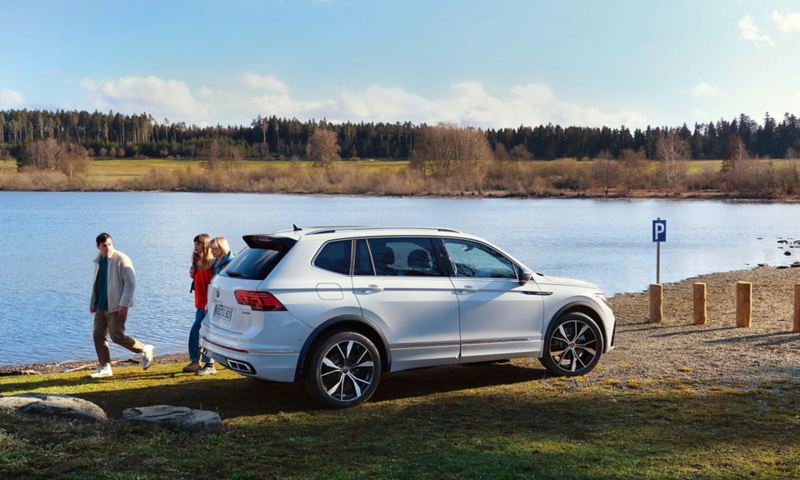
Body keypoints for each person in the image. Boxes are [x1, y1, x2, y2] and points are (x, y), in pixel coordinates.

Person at [89, 233, 154, 379]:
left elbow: (130, 283)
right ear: (98, 246)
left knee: (116, 336)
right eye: (104, 245)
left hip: (116, 305)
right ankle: (105, 367)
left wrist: (124, 304)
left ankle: (144, 348)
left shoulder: (122, 259)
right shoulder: (99, 260)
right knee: (97, 335)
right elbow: (97, 284)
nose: (108, 248)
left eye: (110, 244)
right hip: (100, 306)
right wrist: (93, 303)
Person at [183, 233, 216, 375]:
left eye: (198, 244)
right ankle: (197, 362)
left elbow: (214, 284)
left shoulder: (211, 262)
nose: (195, 247)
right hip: (199, 303)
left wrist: (210, 304)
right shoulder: (197, 260)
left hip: (208, 304)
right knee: (200, 332)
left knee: (199, 332)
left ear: (205, 245)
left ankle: (208, 363)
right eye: (194, 244)